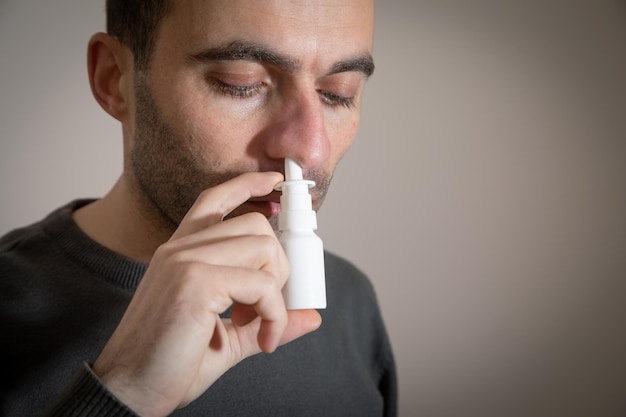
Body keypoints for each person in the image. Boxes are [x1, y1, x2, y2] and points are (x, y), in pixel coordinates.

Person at [0, 0, 397, 416]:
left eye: (338, 94)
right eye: (239, 83)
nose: (311, 147)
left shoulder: (352, 301)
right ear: (115, 79)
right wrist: (122, 388)